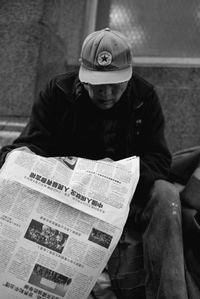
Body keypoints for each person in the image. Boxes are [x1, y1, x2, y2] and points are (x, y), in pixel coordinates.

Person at [0, 28, 188, 298]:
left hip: (126, 196)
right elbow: (22, 146)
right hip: (70, 197)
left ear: (129, 75)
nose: (107, 93)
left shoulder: (144, 97)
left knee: (167, 194)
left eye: (116, 84)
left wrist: (121, 175)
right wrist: (22, 158)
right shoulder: (57, 93)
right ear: (82, 75)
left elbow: (159, 159)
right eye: (98, 85)